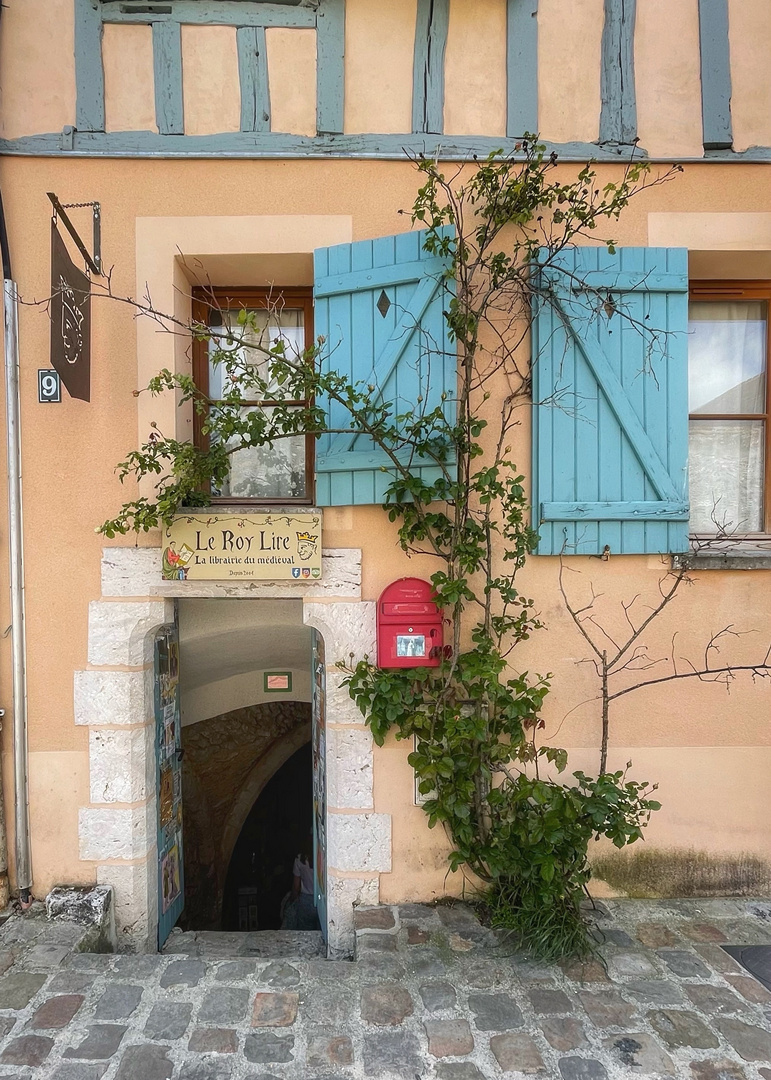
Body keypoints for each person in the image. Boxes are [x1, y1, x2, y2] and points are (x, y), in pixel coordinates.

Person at [280, 834, 320, 931]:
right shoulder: (322, 859)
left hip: (305, 901)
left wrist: (291, 900)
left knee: (306, 934)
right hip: (320, 901)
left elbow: (296, 886)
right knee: (321, 935)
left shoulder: (299, 860)